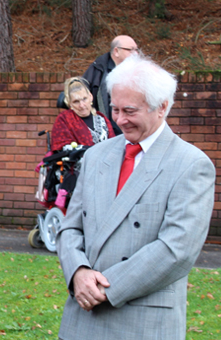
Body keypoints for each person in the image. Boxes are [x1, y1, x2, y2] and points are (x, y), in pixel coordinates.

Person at [56, 54, 215, 339]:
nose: (119, 120)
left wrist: (107, 287)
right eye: (115, 109)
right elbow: (70, 227)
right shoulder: (95, 156)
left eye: (129, 111)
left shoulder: (191, 164)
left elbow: (177, 250)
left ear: (162, 107)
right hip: (82, 319)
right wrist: (78, 272)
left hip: (144, 322)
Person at [83, 35, 139, 135]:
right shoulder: (97, 71)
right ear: (116, 51)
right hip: (105, 132)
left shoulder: (139, 71)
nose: (136, 54)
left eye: (136, 50)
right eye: (131, 50)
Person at [50, 77, 116, 152]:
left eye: (84, 99)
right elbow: (61, 148)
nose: (82, 105)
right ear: (69, 103)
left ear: (91, 97)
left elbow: (114, 145)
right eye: (76, 101)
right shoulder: (64, 119)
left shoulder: (102, 119)